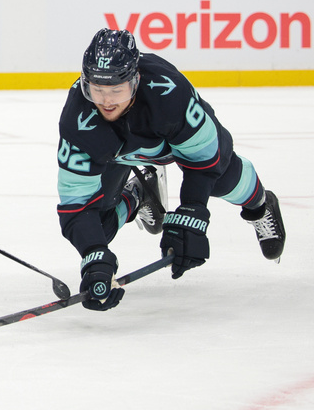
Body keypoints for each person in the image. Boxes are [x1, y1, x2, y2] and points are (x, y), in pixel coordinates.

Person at [57, 29, 286, 312]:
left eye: (117, 90)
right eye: (97, 90)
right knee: (97, 228)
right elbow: (76, 206)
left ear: (135, 81)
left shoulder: (170, 93)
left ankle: (261, 206)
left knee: (222, 178)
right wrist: (94, 256)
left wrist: (192, 210)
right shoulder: (78, 118)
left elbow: (205, 161)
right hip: (117, 154)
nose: (107, 101)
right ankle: (138, 196)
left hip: (172, 144)